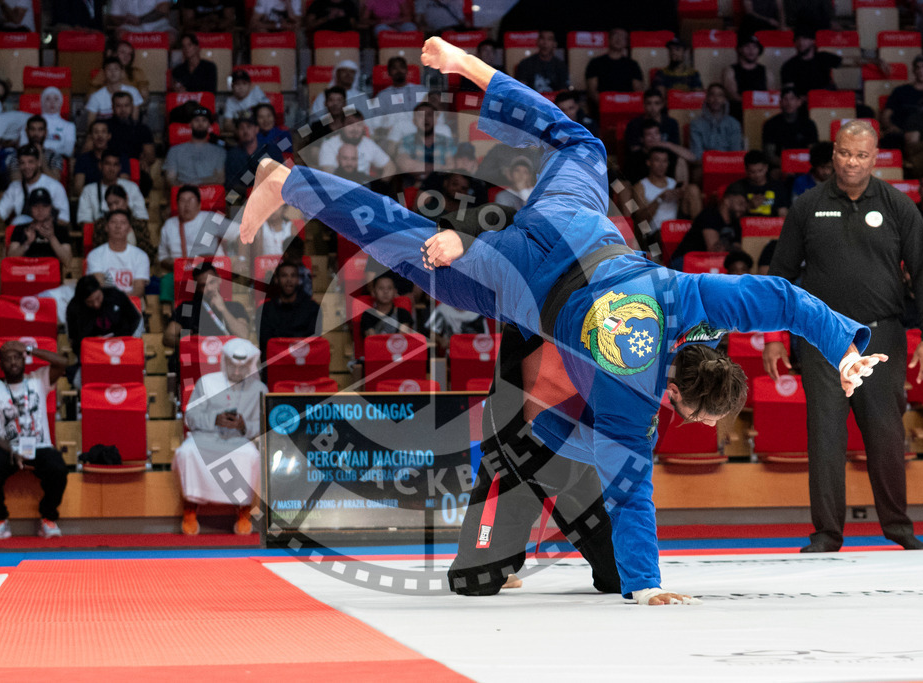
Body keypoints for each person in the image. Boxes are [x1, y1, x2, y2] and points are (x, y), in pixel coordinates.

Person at [240, 37, 883, 604]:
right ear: (677, 389)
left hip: (576, 224)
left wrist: (842, 345)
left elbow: (780, 294)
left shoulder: (685, 297)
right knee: (419, 252)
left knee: (580, 141)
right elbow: (631, 493)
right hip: (527, 279)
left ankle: (470, 67)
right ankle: (316, 190)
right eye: (697, 415)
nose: (700, 424)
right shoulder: (634, 398)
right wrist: (647, 586)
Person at [765, 119, 923, 553]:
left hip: (883, 338)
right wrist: (772, 336)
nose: (851, 162)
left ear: (875, 158)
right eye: (845, 153)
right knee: (825, 435)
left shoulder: (899, 207)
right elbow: (780, 276)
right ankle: (826, 534)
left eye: (861, 155)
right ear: (833, 153)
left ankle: (898, 528)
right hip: (823, 338)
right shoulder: (807, 206)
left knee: (885, 434)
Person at [448, 326, 619, 596]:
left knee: (622, 577)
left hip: (578, 455)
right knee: (474, 580)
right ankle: (497, 563)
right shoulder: (525, 302)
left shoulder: (610, 308)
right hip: (518, 456)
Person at [0, 340, 70, 540]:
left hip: (39, 446)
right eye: (7, 359)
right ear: (0, 365)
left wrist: (29, 349)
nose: (13, 362)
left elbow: (63, 362)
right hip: (8, 449)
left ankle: (48, 517)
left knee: (58, 468)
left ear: (24, 360)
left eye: (17, 357)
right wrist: (12, 451)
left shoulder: (38, 381)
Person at [175, 338, 266, 535]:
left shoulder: (259, 388)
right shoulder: (207, 382)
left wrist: (244, 426)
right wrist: (214, 419)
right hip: (205, 438)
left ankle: (244, 511)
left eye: (241, 368)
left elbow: (264, 425)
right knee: (186, 452)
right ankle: (190, 507)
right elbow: (191, 417)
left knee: (251, 456)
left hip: (239, 440)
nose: (235, 372)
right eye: (232, 366)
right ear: (225, 362)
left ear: (250, 365)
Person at [163, 263, 250, 377]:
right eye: (203, 285)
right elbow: (167, 338)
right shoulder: (188, 308)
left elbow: (243, 335)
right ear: (197, 287)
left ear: (219, 280)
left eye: (212, 282)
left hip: (228, 363)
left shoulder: (234, 307)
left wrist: (223, 309)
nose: (209, 289)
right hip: (197, 362)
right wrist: (191, 343)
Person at [158, 185, 238, 270]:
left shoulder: (211, 218)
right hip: (181, 272)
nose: (186, 205)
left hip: (212, 270)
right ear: (177, 205)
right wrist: (174, 264)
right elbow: (163, 257)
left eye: (191, 200)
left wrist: (241, 259)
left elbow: (240, 232)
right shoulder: (169, 225)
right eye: (182, 201)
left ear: (199, 205)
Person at [65, 275, 143, 361]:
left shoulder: (115, 295)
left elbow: (135, 318)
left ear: (101, 289)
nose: (96, 304)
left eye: (98, 298)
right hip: (91, 351)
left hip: (121, 344)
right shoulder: (74, 308)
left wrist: (119, 340)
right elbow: (74, 340)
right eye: (90, 302)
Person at [0, 145, 70, 226]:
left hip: (49, 232)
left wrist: (40, 224)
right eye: (22, 163)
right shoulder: (15, 187)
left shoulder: (54, 186)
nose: (26, 166)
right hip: (23, 234)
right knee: (19, 220)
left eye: (30, 162)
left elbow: (64, 219)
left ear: (39, 163)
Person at [256, 261, 321, 357]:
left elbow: (313, 340)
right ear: (276, 279)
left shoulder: (312, 308)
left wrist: (280, 336)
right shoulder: (265, 309)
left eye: (293, 276)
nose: (289, 280)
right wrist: (296, 336)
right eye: (284, 276)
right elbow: (265, 342)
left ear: (298, 280)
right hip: (275, 361)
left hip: (304, 361)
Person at [671, 186, 748, 264]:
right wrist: (731, 248)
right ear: (727, 201)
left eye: (745, 205)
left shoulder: (735, 221)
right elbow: (714, 252)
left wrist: (728, 248)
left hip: (707, 264)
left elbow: (738, 250)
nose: (743, 209)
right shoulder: (709, 216)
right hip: (685, 262)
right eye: (740, 203)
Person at [85, 210, 150, 297]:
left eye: (123, 223)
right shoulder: (95, 255)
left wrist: (121, 301)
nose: (118, 226)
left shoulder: (141, 256)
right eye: (113, 222)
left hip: (131, 304)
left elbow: (139, 289)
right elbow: (99, 284)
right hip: (104, 303)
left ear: (129, 228)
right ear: (106, 227)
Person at [76, 149, 148, 225]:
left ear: (120, 167)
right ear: (100, 165)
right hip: (99, 234)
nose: (111, 169)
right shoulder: (88, 190)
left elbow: (142, 217)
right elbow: (85, 221)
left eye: (115, 165)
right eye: (107, 164)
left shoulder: (132, 188)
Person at [6, 188, 73, 268]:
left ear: (50, 208)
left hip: (51, 275)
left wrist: (51, 238)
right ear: (30, 208)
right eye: (36, 206)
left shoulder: (60, 230)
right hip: (25, 273)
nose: (40, 210)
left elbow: (68, 261)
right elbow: (10, 259)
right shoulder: (20, 229)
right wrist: (27, 243)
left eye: (45, 206)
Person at [395, 101, 456, 183]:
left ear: (436, 121)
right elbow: (405, 165)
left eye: (429, 115)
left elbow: (451, 168)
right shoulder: (406, 140)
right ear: (414, 121)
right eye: (420, 115)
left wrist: (420, 166)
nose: (425, 119)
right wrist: (440, 168)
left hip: (440, 185)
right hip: (413, 184)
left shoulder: (446, 141)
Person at [585, 27, 644, 113]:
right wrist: (608, 106)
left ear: (626, 42)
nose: (618, 39)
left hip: (628, 108)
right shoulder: (595, 63)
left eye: (622, 37)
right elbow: (592, 90)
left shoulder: (632, 65)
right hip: (603, 108)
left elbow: (638, 90)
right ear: (609, 39)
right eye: (615, 35)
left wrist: (624, 106)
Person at [316, 111, 393, 176]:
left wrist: (379, 186)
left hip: (363, 188)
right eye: (350, 124)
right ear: (342, 126)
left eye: (359, 125)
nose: (355, 129)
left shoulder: (368, 143)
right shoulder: (329, 145)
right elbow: (327, 175)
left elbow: (390, 167)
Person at [163, 107, 226, 187]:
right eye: (196, 120)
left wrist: (196, 183)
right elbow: (170, 178)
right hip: (184, 193)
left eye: (204, 120)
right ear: (190, 124)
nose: (200, 123)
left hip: (211, 194)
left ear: (209, 125)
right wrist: (187, 188)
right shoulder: (174, 151)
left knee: (233, 196)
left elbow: (220, 179)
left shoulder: (219, 151)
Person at [881, 54, 923, 150]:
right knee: (890, 139)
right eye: (918, 68)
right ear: (913, 70)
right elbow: (886, 115)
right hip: (900, 133)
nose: (921, 71)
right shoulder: (901, 91)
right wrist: (890, 126)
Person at [762, 86, 819, 166]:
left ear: (799, 102)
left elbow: (813, 151)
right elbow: (769, 155)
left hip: (804, 165)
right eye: (785, 99)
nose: (789, 103)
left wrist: (798, 165)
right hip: (780, 166)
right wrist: (787, 165)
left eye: (792, 99)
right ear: (780, 102)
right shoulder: (770, 124)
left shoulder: (809, 124)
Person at [779, 26, 842, 96]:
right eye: (797, 39)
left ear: (813, 41)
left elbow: (847, 66)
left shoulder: (824, 58)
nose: (801, 42)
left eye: (805, 38)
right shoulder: (789, 66)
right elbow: (789, 93)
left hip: (826, 100)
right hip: (803, 103)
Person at [73, 122, 131, 197]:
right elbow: (78, 187)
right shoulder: (83, 159)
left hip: (116, 199)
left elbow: (124, 183)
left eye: (103, 132)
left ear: (109, 136)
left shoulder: (121, 158)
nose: (100, 136)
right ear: (91, 137)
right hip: (91, 199)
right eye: (96, 132)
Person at [722, 34, 774, 119]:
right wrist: (752, 102)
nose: (751, 50)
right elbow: (732, 95)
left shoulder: (767, 71)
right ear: (740, 49)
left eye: (754, 47)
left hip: (761, 113)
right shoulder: (730, 70)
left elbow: (770, 95)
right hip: (738, 113)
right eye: (747, 46)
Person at [726, 150, 790, 217]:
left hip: (772, 226)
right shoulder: (737, 187)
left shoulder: (778, 187)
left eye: (760, 171)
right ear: (746, 170)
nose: (757, 175)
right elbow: (730, 216)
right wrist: (749, 206)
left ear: (766, 167)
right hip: (744, 226)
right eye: (752, 172)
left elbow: (783, 211)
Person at [633, 147, 682, 235]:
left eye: (664, 161)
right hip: (655, 233)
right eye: (657, 160)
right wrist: (660, 198)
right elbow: (640, 219)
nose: (661, 165)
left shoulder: (673, 183)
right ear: (649, 162)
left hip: (676, 229)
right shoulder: (641, 186)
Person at [85, 57, 145, 128]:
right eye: (109, 69)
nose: (113, 72)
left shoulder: (133, 92)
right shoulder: (95, 96)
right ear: (103, 72)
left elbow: (134, 121)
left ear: (122, 72)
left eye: (116, 69)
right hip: (105, 136)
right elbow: (90, 125)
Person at [689, 83, 744, 157]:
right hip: (705, 165)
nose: (716, 99)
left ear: (725, 100)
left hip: (729, 164)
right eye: (712, 95)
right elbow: (697, 154)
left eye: (720, 95)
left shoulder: (734, 124)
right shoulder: (696, 124)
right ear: (707, 99)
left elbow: (735, 152)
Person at [624, 89, 681, 153]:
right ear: (644, 105)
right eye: (649, 103)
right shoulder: (633, 124)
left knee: (681, 161)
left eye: (657, 103)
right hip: (642, 158)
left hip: (666, 159)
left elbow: (676, 148)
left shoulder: (672, 123)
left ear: (662, 104)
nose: (653, 107)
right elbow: (634, 149)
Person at [514, 30, 570, 94]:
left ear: (555, 44)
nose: (545, 43)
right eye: (542, 38)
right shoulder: (525, 64)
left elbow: (564, 93)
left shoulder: (561, 66)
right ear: (537, 41)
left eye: (549, 39)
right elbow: (521, 91)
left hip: (554, 103)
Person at [12, 115, 64, 182]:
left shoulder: (54, 155)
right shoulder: (17, 155)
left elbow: (55, 181)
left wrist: (41, 157)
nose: (36, 133)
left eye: (40, 130)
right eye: (32, 129)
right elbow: (16, 183)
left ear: (45, 132)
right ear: (27, 131)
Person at [33, 87, 77, 160]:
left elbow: (68, 151)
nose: (52, 102)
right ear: (42, 101)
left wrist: (49, 152)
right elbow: (24, 145)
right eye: (48, 99)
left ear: (61, 102)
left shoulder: (69, 126)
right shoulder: (31, 123)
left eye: (56, 99)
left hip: (58, 161)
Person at [222, 70, 270, 134]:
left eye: (244, 83)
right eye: (237, 84)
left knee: (284, 141)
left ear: (250, 85)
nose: (241, 87)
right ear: (232, 86)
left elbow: (268, 116)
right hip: (241, 135)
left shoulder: (256, 93)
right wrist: (243, 130)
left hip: (261, 131)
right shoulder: (230, 101)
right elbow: (227, 124)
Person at [106, 0, 175, 37]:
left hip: (158, 26)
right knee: (121, 34)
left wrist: (140, 20)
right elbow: (114, 16)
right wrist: (126, 20)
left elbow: (164, 9)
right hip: (131, 28)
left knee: (170, 37)